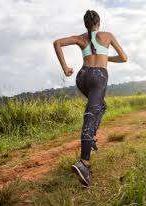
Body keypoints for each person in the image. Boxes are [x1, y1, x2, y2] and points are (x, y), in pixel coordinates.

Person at [53, 10, 127, 187]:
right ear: (98, 23)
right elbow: (124, 58)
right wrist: (106, 57)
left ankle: (91, 138)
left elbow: (57, 43)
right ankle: (84, 163)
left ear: (85, 24)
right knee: (91, 114)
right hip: (98, 76)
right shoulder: (107, 35)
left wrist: (65, 68)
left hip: (82, 76)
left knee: (101, 107)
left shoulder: (80, 38)